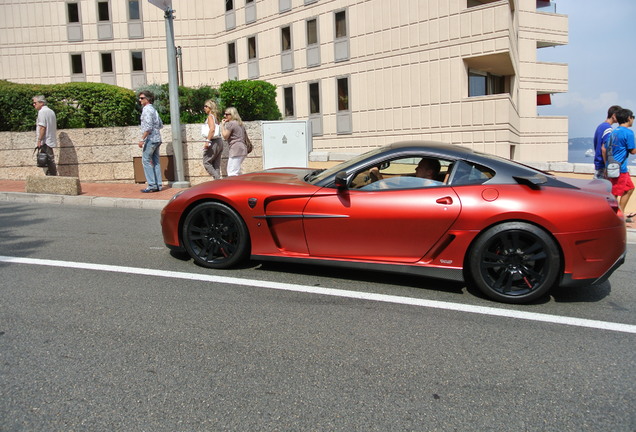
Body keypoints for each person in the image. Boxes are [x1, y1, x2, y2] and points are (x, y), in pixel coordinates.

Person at [602, 108, 636, 219]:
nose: (633, 120)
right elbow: (633, 151)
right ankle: (613, 217)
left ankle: (620, 213)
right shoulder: (628, 133)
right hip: (620, 169)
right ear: (628, 118)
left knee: (629, 188)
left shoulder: (613, 132)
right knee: (614, 195)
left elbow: (606, 148)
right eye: (633, 117)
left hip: (612, 166)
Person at [137, 90, 163, 193]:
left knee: (146, 160)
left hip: (151, 139)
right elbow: (160, 124)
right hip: (157, 138)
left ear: (148, 99)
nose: (140, 100)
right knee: (156, 161)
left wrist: (142, 139)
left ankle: (152, 185)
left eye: (142, 98)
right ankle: (158, 184)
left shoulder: (146, 110)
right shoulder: (154, 110)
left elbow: (147, 127)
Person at [365, 157, 442, 190]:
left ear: (429, 172)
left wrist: (378, 176)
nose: (416, 169)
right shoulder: (421, 185)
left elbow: (391, 198)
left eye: (420, 167)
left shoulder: (430, 190)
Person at [593, 105, 622, 179]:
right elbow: (604, 148)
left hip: (598, 164)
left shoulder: (600, 126)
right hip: (602, 165)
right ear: (614, 115)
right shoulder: (608, 129)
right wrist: (607, 166)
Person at [32, 95, 58, 176]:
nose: (34, 104)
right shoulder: (51, 111)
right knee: (48, 158)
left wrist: (39, 140)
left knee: (48, 159)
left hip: (45, 140)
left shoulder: (42, 112)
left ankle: (53, 176)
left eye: (35, 103)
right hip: (50, 138)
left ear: (41, 103)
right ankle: (50, 175)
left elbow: (42, 127)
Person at [220, 107, 248, 176]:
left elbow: (225, 136)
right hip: (242, 148)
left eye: (227, 114)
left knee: (232, 172)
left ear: (232, 115)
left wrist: (223, 125)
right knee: (237, 171)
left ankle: (235, 186)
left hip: (235, 149)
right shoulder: (240, 123)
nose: (224, 116)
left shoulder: (231, 123)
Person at [202, 100, 223, 179]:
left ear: (210, 107)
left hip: (213, 141)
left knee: (206, 162)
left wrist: (207, 141)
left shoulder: (210, 117)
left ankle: (218, 180)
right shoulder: (216, 117)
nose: (204, 108)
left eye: (206, 106)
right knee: (216, 164)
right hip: (219, 141)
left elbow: (212, 129)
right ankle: (218, 184)